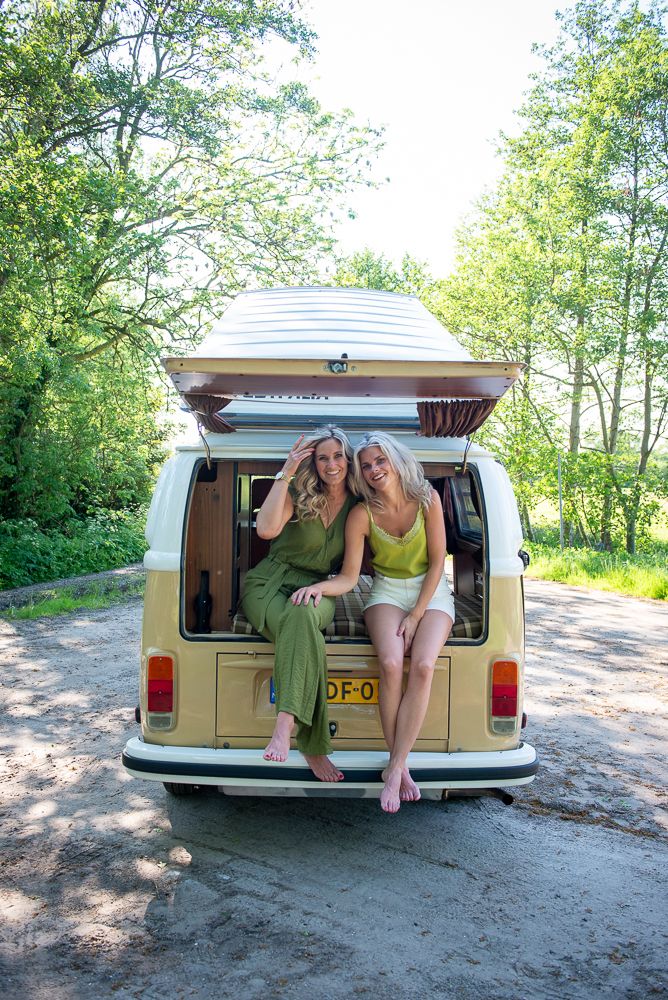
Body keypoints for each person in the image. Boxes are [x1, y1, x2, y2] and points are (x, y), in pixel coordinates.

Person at [290, 431, 454, 812]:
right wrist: (319, 588)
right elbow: (350, 577)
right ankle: (399, 767)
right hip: (386, 592)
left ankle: (395, 768)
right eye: (366, 465)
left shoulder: (427, 499)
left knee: (424, 665)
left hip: (431, 593)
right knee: (391, 663)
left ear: (395, 460)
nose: (374, 469)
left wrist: (416, 615)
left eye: (380, 460)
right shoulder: (362, 514)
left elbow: (437, 563)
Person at [240, 425, 357, 782]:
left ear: (348, 459)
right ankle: (310, 743)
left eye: (338, 456)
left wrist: (320, 587)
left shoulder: (358, 505)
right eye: (322, 458)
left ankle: (285, 725)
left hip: (320, 587)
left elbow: (349, 577)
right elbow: (266, 530)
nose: (331, 465)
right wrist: (286, 471)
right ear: (314, 463)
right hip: (268, 583)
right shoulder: (298, 491)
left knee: (303, 615)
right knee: (305, 634)